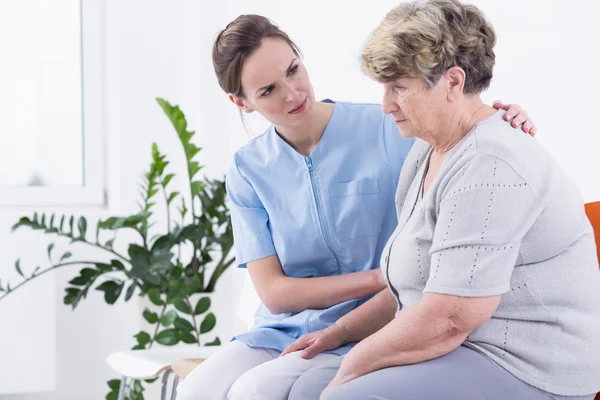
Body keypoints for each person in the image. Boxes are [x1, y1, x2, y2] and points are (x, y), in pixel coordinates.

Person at [175, 12, 536, 400]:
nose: (293, 94)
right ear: (240, 102)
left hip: (375, 319)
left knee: (253, 391)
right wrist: (384, 276)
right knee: (198, 388)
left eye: (294, 71)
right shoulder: (248, 169)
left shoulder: (388, 127)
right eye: (268, 91)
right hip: (281, 328)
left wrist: (503, 118)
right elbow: (276, 294)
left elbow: (464, 140)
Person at [282, 1, 600, 399]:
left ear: (453, 82)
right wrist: (338, 334)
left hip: (528, 365)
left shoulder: (492, 164)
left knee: (342, 395)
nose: (385, 105)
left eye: (399, 87)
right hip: (465, 347)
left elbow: (450, 318)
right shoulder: (428, 149)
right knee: (305, 386)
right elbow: (416, 283)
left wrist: (352, 365)